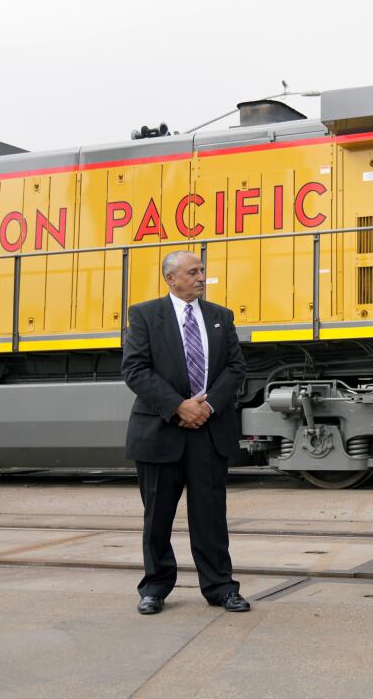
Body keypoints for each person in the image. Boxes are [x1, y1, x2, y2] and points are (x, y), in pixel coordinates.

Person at [121, 250, 249, 615]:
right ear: (170, 279)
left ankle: (221, 587)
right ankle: (155, 587)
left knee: (210, 516)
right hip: (161, 431)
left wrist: (206, 407)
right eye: (193, 272)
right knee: (157, 517)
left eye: (202, 271)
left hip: (209, 430)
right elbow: (135, 370)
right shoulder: (144, 315)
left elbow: (236, 369)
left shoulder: (220, 317)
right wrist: (179, 406)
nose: (201, 277)